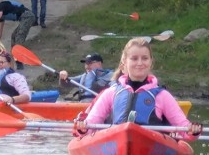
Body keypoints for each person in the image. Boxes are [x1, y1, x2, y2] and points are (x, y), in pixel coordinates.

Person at [73, 38, 202, 140]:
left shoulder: (162, 96)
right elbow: (91, 124)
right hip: (115, 142)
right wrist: (83, 127)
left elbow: (184, 129)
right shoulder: (110, 93)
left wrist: (192, 130)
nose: (140, 63)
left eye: (145, 58)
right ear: (124, 62)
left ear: (151, 61)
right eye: (134, 59)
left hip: (152, 145)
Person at [0, 0, 36, 67]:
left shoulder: (0, 6)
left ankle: (19, 60)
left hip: (28, 16)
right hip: (23, 19)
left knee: (19, 36)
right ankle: (14, 58)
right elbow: (0, 31)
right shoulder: (1, 15)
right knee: (13, 36)